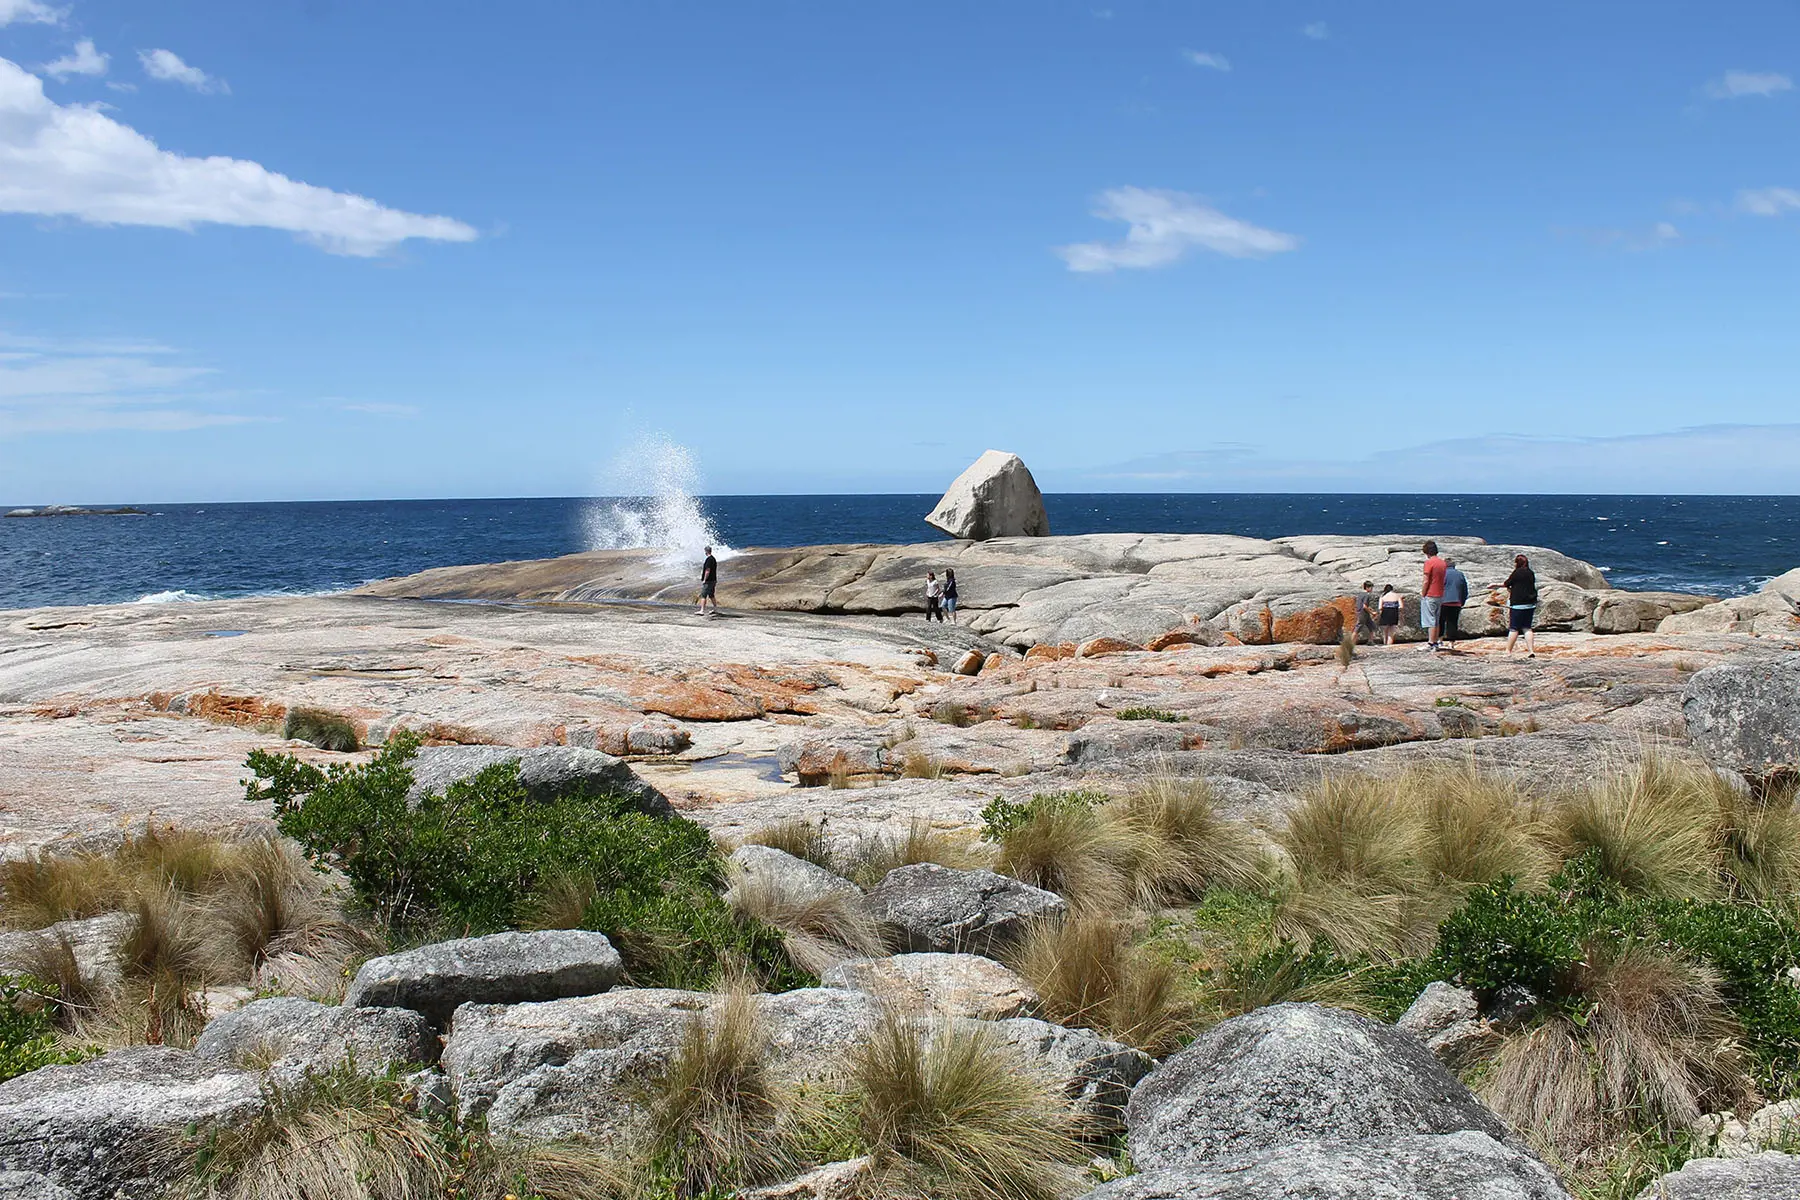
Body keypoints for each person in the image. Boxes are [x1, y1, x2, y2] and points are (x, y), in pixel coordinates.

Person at [1502, 553, 1539, 656]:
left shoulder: (1517, 573)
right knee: (1527, 628)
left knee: (1514, 628)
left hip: (1518, 605)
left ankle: (1508, 651)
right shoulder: (1530, 573)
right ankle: (1531, 651)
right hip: (1530, 604)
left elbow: (1507, 583)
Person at [1419, 539, 1447, 651]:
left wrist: (1423, 593)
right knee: (1436, 618)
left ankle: (1430, 643)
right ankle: (1436, 642)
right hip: (1440, 593)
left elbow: (1426, 580)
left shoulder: (1429, 563)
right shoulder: (1442, 563)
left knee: (1430, 619)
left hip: (1430, 593)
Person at [1439, 557, 1469, 650]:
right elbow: (1464, 589)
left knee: (1440, 621)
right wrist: (1462, 601)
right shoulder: (1460, 574)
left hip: (1443, 601)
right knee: (1452, 622)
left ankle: (1440, 640)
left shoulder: (1442, 574)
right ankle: (1451, 643)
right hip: (1456, 602)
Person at [697, 546, 718, 615]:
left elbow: (707, 571)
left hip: (708, 581)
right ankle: (715, 609)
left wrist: (705, 580)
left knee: (703, 595)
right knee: (711, 595)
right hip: (713, 580)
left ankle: (702, 610)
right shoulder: (713, 559)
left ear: (706, 551)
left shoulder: (708, 560)